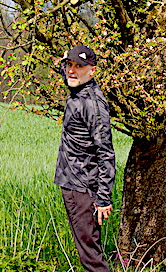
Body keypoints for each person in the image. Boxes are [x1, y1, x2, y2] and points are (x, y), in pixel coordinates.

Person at [54, 44, 116, 272]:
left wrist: (103, 198)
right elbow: (67, 74)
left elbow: (106, 152)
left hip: (82, 188)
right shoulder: (77, 91)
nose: (71, 70)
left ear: (92, 70)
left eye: (79, 66)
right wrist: (64, 61)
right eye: (69, 65)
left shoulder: (91, 103)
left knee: (90, 256)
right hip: (73, 184)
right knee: (88, 252)